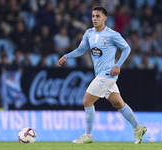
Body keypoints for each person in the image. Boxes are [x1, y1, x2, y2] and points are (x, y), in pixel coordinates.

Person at [57, 6, 147, 144]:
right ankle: (138, 128)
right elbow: (81, 50)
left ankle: (88, 135)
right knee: (119, 104)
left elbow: (126, 48)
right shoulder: (89, 33)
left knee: (87, 101)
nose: (94, 19)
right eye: (93, 16)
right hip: (100, 74)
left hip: (107, 74)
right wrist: (66, 57)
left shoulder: (112, 34)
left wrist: (118, 65)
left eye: (98, 16)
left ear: (105, 18)